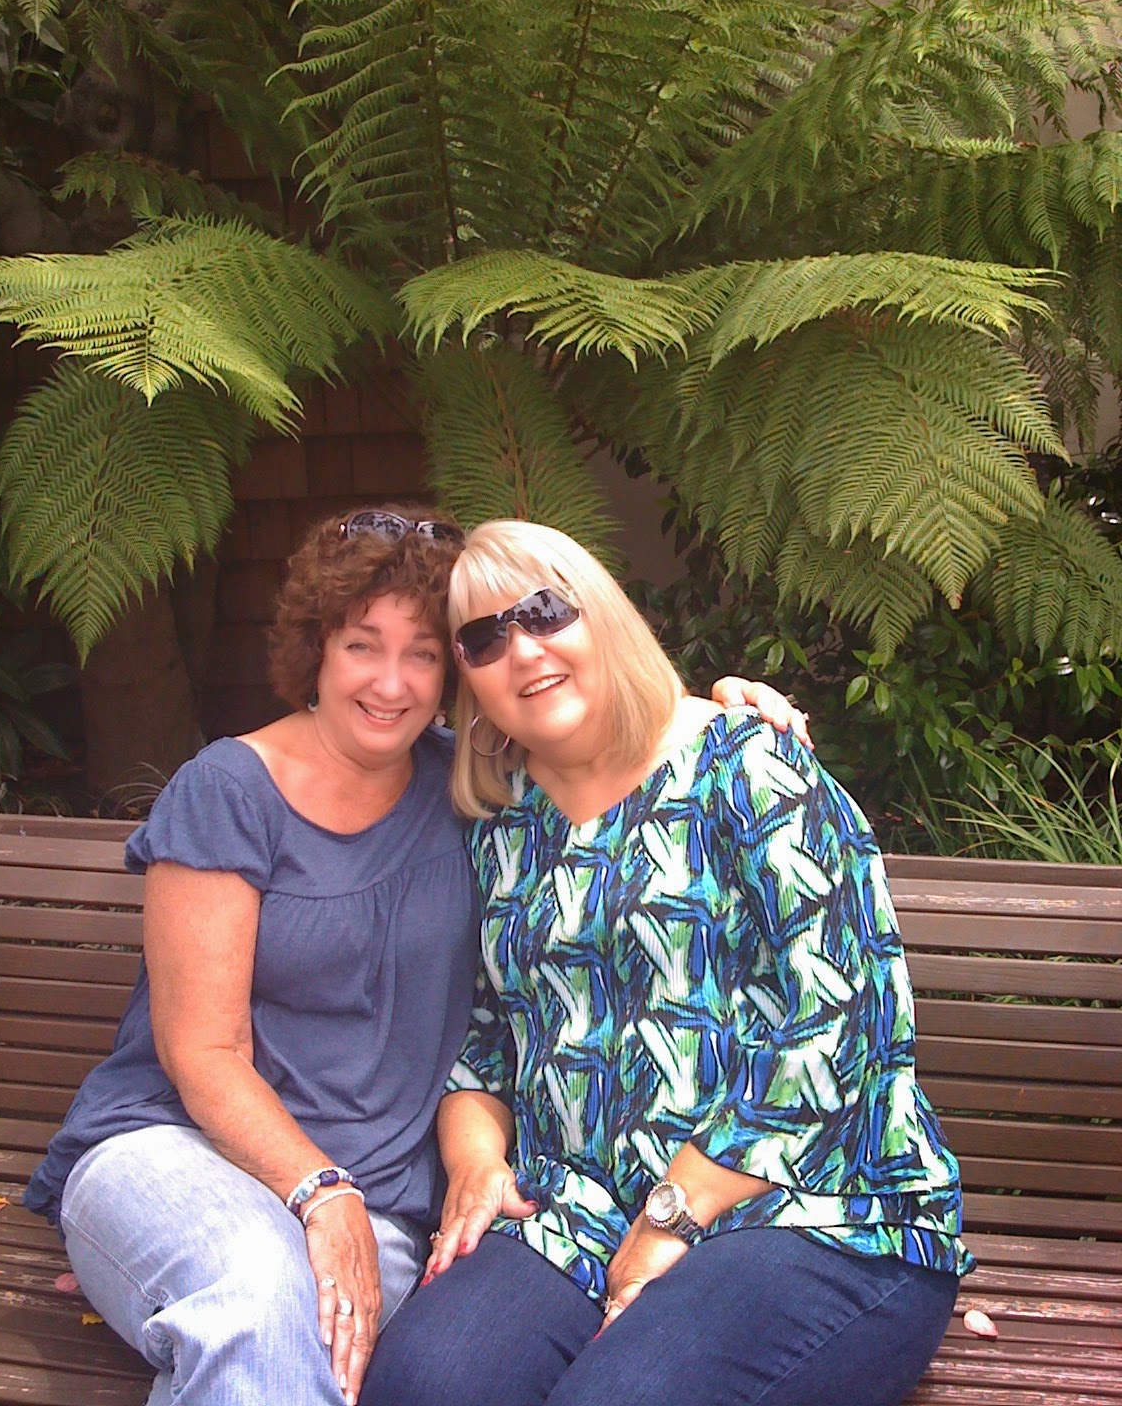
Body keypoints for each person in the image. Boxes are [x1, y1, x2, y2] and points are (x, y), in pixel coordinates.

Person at [22, 506, 803, 1406]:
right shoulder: (229, 791)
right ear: (317, 648)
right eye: (363, 645)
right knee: (257, 1300)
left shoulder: (474, 786)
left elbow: (607, 727)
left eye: (423, 654)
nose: (390, 683)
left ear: (454, 675)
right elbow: (202, 1051)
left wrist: (720, 708)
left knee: (304, 1340)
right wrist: (317, 1194)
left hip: (383, 1204)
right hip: (184, 1156)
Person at [362, 519, 971, 1406]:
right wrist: (476, 1164)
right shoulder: (502, 828)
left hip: (817, 1208)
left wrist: (671, 1215)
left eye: (544, 611)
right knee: (422, 1386)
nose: (522, 649)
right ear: (470, 682)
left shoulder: (747, 766)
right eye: (484, 638)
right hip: (581, 1212)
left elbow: (848, 1025)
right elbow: (488, 1040)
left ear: (602, 613)